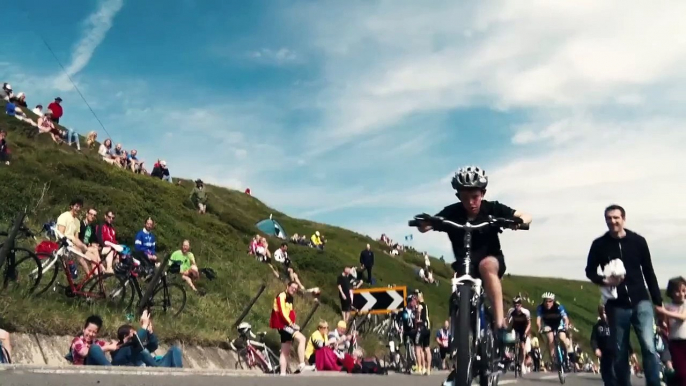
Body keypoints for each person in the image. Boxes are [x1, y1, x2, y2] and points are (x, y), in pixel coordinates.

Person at [416, 165, 532, 364]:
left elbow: (526, 216)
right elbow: (428, 225)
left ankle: (500, 325)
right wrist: (423, 223)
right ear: (458, 196)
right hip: (464, 265)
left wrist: (516, 221)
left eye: (475, 196)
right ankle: (458, 340)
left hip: (491, 261)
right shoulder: (452, 212)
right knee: (457, 288)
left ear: (483, 193)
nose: (470, 202)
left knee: (486, 266)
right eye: (464, 197)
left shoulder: (492, 209)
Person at [585, 204, 663, 386]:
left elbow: (649, 272)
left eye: (616, 218)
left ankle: (654, 383)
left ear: (623, 219)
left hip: (640, 301)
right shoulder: (599, 245)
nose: (612, 221)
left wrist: (658, 302)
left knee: (649, 346)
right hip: (616, 304)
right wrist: (604, 281)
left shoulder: (638, 241)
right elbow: (589, 271)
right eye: (609, 218)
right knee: (619, 350)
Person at [269, 281, 307, 374]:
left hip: (286, 325)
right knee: (302, 339)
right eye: (292, 287)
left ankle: (282, 374)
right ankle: (302, 363)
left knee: (285, 351)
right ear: (287, 286)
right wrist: (291, 324)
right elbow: (282, 312)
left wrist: (293, 322)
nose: (294, 290)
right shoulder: (282, 296)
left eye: (295, 288)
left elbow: (290, 312)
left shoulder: (290, 298)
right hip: (283, 325)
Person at [57, 198, 101, 275]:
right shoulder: (64, 216)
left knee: (93, 258)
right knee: (79, 252)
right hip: (64, 243)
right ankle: (89, 276)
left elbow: (77, 238)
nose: (78, 209)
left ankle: (96, 277)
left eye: (80, 207)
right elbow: (60, 233)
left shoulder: (77, 221)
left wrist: (83, 246)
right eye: (76, 206)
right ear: (71, 206)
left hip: (73, 244)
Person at [656, 277, 686, 385]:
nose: (681, 294)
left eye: (683, 291)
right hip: (675, 343)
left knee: (683, 373)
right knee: (679, 372)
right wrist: (661, 320)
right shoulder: (668, 306)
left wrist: (665, 312)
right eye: (678, 291)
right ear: (672, 292)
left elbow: (682, 317)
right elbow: (663, 324)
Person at [536, 292, 572, 363]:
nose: (547, 303)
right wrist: (539, 328)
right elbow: (538, 321)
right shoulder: (540, 308)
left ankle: (567, 356)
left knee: (562, 337)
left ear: (553, 301)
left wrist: (566, 325)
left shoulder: (558, 306)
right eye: (546, 301)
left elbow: (565, 318)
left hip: (559, 323)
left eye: (550, 301)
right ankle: (554, 360)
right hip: (548, 324)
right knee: (550, 338)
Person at [591, 305, 615, 386]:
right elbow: (593, 339)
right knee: (605, 376)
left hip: (614, 354)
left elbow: (623, 337)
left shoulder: (614, 324)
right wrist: (596, 349)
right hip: (604, 354)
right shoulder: (597, 327)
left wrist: (631, 351)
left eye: (605, 312)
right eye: (602, 313)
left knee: (613, 374)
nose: (604, 315)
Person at [507, 296, 531, 374]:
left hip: (523, 330)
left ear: (521, 305)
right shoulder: (511, 311)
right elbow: (508, 321)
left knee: (522, 346)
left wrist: (525, 333)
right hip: (515, 328)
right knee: (510, 339)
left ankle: (522, 364)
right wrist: (507, 329)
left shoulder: (526, 312)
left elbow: (529, 324)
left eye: (518, 305)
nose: (516, 306)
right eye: (515, 305)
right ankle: (511, 354)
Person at [96, 209, 121, 275]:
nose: (111, 219)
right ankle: (108, 268)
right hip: (102, 247)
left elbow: (114, 240)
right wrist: (106, 246)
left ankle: (119, 269)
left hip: (112, 248)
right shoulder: (101, 226)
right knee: (111, 249)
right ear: (105, 216)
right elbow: (100, 239)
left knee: (123, 251)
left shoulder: (112, 228)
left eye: (112, 218)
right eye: (109, 217)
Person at [415, 291, 432, 375]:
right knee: (427, 348)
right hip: (427, 327)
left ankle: (420, 367)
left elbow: (418, 314)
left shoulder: (420, 305)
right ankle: (428, 369)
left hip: (421, 327)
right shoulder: (426, 305)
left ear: (420, 297)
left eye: (417, 296)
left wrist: (417, 318)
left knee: (418, 347)